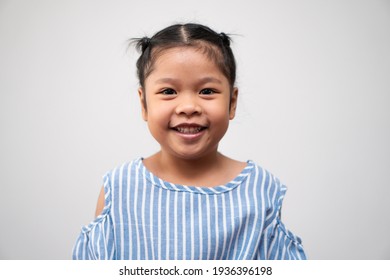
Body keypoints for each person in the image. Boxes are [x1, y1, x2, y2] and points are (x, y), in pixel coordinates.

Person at [72, 23, 307, 260]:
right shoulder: (119, 188)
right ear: (144, 104)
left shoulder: (260, 189)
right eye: (168, 91)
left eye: (206, 91)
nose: (188, 107)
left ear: (232, 103)